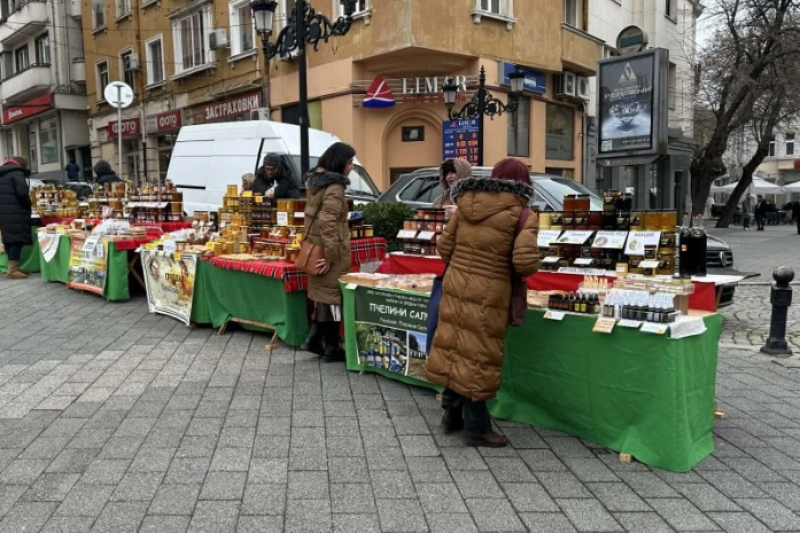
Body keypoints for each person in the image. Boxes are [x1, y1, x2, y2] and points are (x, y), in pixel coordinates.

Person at [425, 158, 540, 447]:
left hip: (456, 285)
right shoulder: (522, 214)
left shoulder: (465, 204)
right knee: (478, 356)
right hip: (491, 292)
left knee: (455, 348)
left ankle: (451, 414)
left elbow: (444, 248)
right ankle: (476, 428)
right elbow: (524, 263)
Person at [300, 142, 354, 362]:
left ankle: (315, 340)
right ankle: (331, 347)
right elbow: (327, 221)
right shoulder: (335, 187)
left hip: (315, 246)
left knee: (325, 298)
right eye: (350, 163)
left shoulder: (316, 184)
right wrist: (331, 256)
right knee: (333, 299)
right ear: (340, 162)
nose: (351, 167)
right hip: (329, 250)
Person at [0, 157, 33, 279]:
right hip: (16, 210)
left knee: (9, 239)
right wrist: (29, 204)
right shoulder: (17, 173)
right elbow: (22, 193)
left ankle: (14, 266)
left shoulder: (2, 173)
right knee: (16, 239)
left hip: (3, 211)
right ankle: (13, 270)